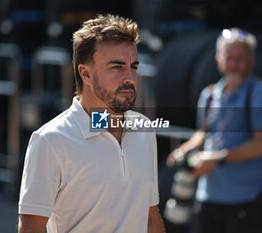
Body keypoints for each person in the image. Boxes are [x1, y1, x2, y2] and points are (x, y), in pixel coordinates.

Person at [18, 14, 164, 233]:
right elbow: (31, 228)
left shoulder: (144, 129)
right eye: (117, 67)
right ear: (85, 74)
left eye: (133, 67)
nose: (130, 78)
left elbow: (151, 218)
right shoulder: (50, 140)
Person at [167, 28, 262, 233]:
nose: (234, 64)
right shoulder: (209, 94)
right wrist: (183, 151)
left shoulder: (260, 92)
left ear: (252, 61)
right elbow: (204, 132)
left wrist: (217, 158)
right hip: (207, 198)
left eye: (240, 58)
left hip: (245, 200)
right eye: (229, 57)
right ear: (218, 60)